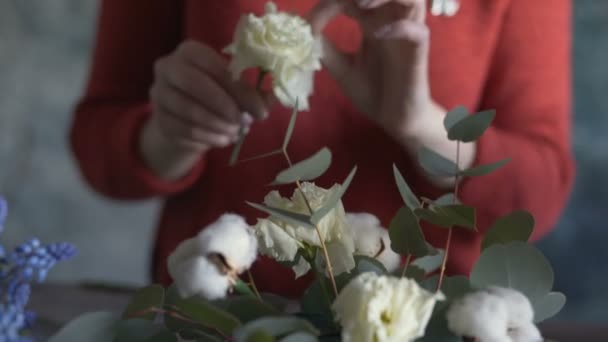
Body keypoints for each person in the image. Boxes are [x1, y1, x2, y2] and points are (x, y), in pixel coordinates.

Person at [70, 0, 574, 298]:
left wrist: (420, 125)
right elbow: (98, 143)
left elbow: (540, 193)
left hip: (430, 316)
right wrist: (169, 135)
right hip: (214, 309)